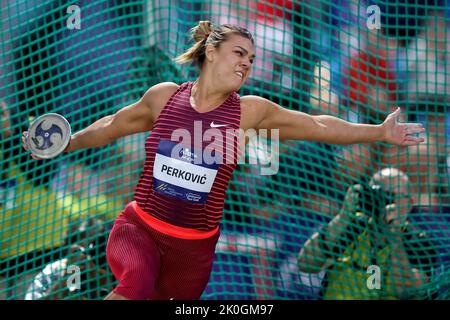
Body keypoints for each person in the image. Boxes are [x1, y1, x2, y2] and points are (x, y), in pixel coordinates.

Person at [23, 21, 425, 300]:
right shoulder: (164, 96)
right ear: (211, 53)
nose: (247, 63)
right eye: (238, 53)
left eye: (251, 57)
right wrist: (66, 143)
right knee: (135, 282)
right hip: (140, 229)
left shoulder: (250, 112)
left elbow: (318, 124)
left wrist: (378, 131)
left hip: (194, 251)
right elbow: (112, 124)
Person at [297, 168, 438, 299]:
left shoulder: (418, 242)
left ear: (409, 203)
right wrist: (343, 216)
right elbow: (306, 264)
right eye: (377, 193)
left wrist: (393, 235)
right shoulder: (351, 227)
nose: (383, 201)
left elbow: (406, 292)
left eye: (391, 195)